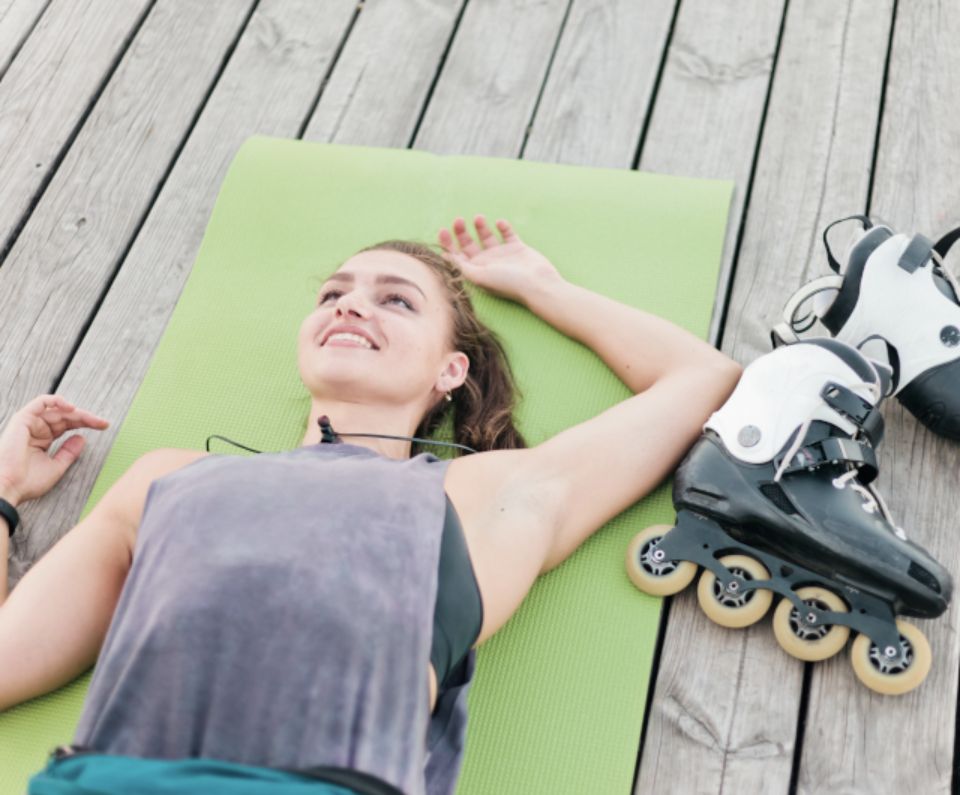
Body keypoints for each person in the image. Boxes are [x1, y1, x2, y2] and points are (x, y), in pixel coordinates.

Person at [0, 215, 741, 795]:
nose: (352, 302)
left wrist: (544, 288)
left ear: (451, 368)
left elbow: (701, 377)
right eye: (334, 293)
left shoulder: (482, 494)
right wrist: (3, 497)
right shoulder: (164, 480)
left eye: (397, 299)